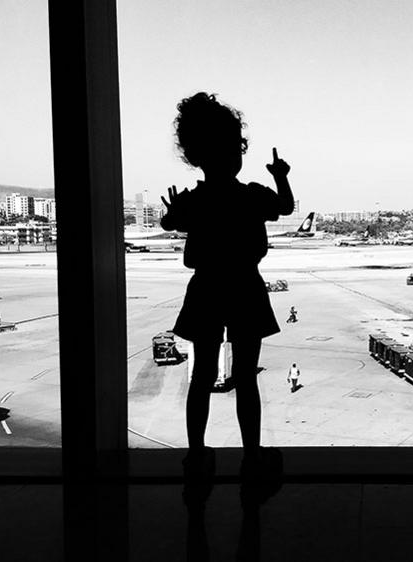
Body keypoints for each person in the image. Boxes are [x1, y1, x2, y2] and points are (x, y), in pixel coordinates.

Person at [161, 92, 293, 478]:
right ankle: (251, 455)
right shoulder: (252, 195)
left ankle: (196, 453)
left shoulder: (194, 200)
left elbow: (176, 229)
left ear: (194, 155)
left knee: (202, 376)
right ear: (238, 151)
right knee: (246, 377)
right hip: (245, 288)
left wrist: (174, 216)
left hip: (205, 289)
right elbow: (284, 207)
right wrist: (281, 176)